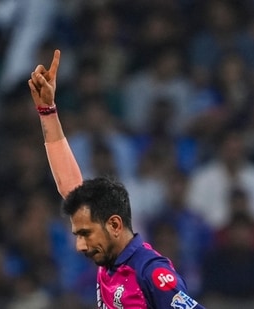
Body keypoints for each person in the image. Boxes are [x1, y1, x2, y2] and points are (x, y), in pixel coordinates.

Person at [28, 50, 205, 309]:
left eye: (86, 234)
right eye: (78, 235)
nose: (80, 246)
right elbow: (70, 187)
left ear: (114, 224)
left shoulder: (150, 272)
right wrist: (47, 112)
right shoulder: (110, 265)